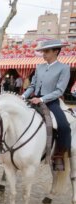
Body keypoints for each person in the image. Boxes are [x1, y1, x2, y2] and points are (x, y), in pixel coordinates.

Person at [22, 39, 71, 171]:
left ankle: (59, 155)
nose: (44, 54)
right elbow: (32, 86)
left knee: (64, 126)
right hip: (33, 100)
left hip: (51, 102)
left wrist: (42, 99)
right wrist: (23, 96)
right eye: (43, 51)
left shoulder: (64, 68)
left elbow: (59, 90)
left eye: (47, 51)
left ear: (56, 51)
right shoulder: (39, 67)